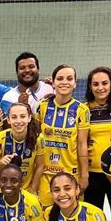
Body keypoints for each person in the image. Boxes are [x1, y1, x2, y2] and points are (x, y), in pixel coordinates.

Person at [36, 65, 90, 207]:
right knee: (46, 219)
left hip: (70, 174)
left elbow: (82, 144)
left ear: (75, 83)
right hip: (46, 174)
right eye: (60, 79)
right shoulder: (42, 106)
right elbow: (35, 138)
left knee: (71, 215)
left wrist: (85, 175)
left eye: (69, 78)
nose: (64, 82)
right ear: (53, 83)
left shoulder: (82, 110)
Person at [83, 67, 111, 221]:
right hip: (93, 174)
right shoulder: (84, 109)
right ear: (90, 87)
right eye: (95, 84)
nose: (100, 87)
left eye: (104, 83)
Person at [0, 102, 44, 194]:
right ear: (8, 120)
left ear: (29, 118)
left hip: (26, 190)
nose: (18, 121)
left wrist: (32, 189)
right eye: (14, 117)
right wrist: (0, 162)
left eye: (22, 116)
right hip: (2, 189)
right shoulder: (0, 138)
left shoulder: (38, 139)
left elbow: (40, 166)